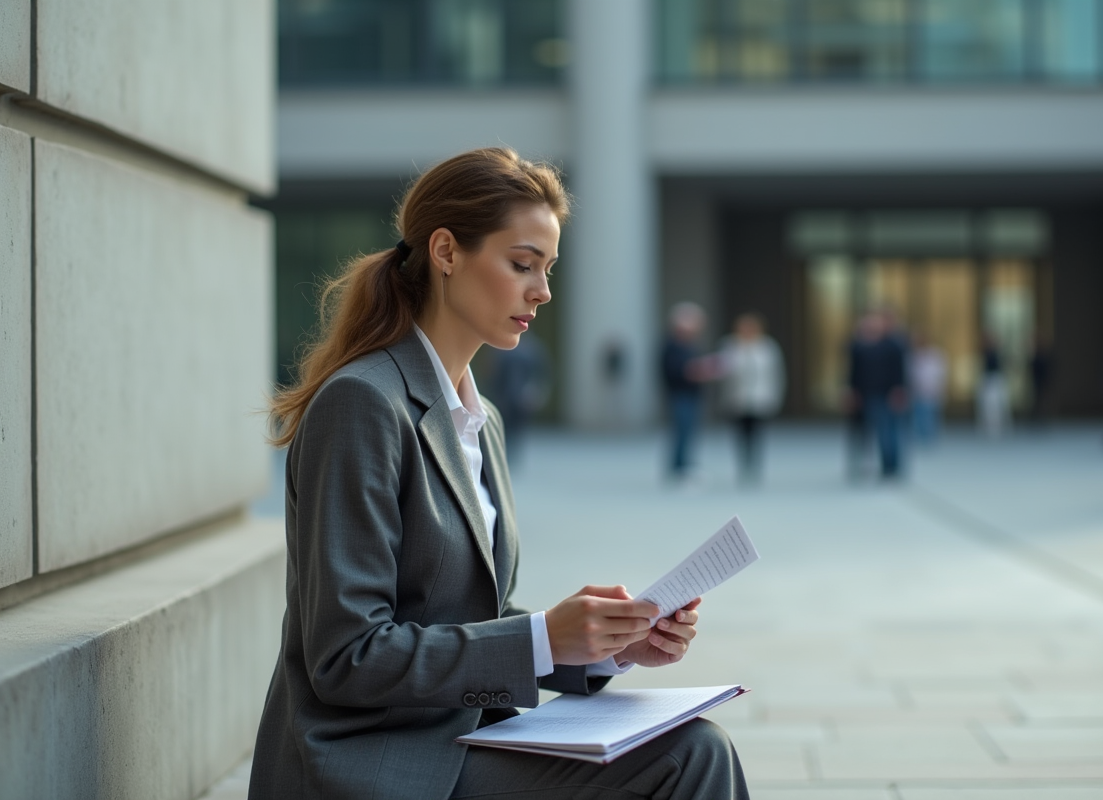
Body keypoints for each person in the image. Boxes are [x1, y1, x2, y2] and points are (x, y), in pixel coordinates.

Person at [250, 149, 748, 800]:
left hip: (454, 741)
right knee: (689, 758)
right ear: (447, 252)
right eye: (522, 265)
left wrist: (605, 646)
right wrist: (543, 637)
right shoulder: (363, 403)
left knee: (688, 747)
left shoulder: (479, 415)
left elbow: (469, 613)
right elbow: (347, 657)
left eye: (547, 268)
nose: (541, 291)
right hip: (372, 763)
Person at [719, 312, 785, 484]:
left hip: (760, 397)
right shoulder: (730, 345)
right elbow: (722, 370)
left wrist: (775, 397)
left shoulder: (768, 346)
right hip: (737, 398)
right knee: (740, 434)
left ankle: (755, 466)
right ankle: (743, 465)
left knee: (757, 433)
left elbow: (775, 374)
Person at [846, 310, 906, 479]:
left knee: (887, 431)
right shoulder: (859, 346)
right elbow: (853, 372)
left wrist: (899, 390)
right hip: (865, 394)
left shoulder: (892, 345)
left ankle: (890, 467)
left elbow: (899, 371)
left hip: (886, 394)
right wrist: (852, 391)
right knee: (863, 432)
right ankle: (864, 465)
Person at [661, 302, 713, 482]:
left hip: (690, 394)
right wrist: (696, 371)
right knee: (682, 432)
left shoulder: (687, 345)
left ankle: (684, 467)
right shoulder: (673, 345)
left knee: (688, 432)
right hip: (680, 394)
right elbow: (676, 371)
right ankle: (679, 469)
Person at [486, 330, 550, 465]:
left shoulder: (510, 349)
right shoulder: (530, 348)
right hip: (514, 398)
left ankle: (507, 455)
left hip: (512, 398)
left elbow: (494, 375)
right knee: (511, 429)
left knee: (512, 429)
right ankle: (507, 455)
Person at [909, 333, 947, 444]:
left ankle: (929, 436)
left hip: (931, 389)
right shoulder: (913, 355)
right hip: (917, 390)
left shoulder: (935, 354)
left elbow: (941, 372)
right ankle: (921, 436)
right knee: (919, 414)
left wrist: (939, 386)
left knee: (930, 414)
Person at [976, 334, 1009, 438]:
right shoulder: (986, 353)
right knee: (988, 407)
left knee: (997, 406)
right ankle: (990, 428)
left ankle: (999, 428)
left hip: (996, 380)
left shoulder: (997, 354)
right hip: (989, 380)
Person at [1028, 336, 1053, 426]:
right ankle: (1037, 416)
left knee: (1041, 399)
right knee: (1037, 399)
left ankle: (1041, 416)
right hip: (1037, 381)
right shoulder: (1038, 356)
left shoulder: (1042, 356)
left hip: (1041, 381)